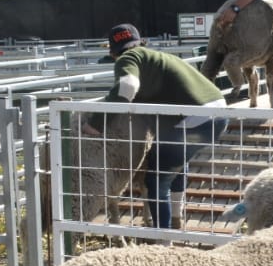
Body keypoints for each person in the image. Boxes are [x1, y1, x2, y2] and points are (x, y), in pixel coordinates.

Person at [89, 24, 228, 229]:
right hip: (217, 116)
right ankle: (175, 219)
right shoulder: (157, 57)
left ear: (112, 52)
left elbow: (127, 87)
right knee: (176, 161)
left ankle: (163, 240)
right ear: (142, 41)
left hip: (194, 120)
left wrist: (96, 123)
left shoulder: (129, 58)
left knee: (155, 180)